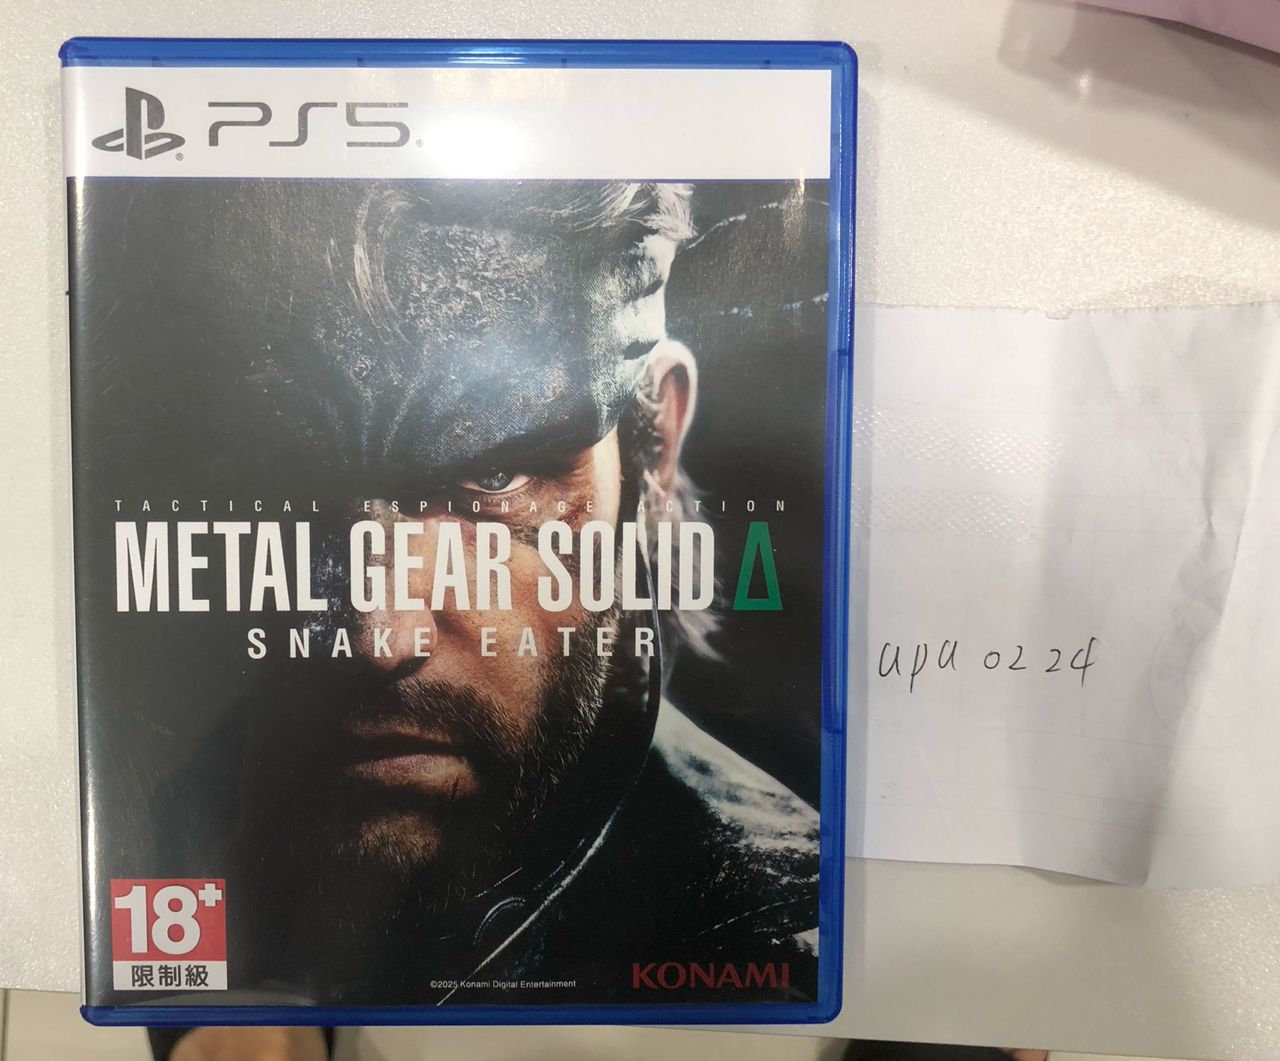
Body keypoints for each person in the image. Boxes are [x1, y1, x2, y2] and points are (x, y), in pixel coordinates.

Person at [86, 180, 822, 1019]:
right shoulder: (150, 834)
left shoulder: (777, 941)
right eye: (282, 480)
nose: (379, 633)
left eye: (495, 475)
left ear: (653, 444)